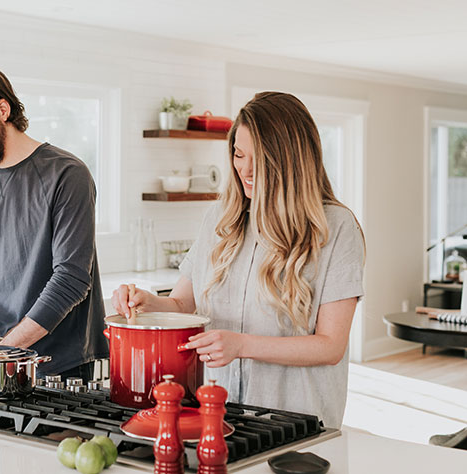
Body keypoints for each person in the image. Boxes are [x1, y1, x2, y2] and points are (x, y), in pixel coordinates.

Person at [112, 91, 365, 428]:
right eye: (238, 154)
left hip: (295, 421)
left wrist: (242, 345)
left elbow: (330, 346)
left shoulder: (335, 228)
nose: (245, 169)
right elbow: (184, 304)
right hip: (217, 413)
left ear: (291, 159)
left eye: (258, 158)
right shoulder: (219, 218)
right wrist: (149, 303)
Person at [0, 65, 108, 382]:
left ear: (3, 109)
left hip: (59, 366)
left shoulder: (68, 174)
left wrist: (2, 353)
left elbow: (71, 279)